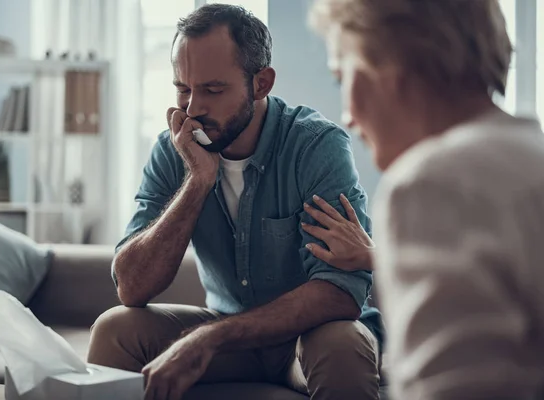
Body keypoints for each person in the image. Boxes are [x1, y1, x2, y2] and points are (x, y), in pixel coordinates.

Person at [87, 4, 383, 400]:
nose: (192, 109)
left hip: (308, 337)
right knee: (115, 329)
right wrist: (196, 183)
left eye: (212, 89)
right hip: (231, 336)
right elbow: (132, 287)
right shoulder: (173, 149)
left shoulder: (315, 146)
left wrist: (210, 339)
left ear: (261, 83)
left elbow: (340, 292)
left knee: (343, 345)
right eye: (182, 88)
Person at [307, 0, 544, 399]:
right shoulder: (529, 154)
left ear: (390, 70)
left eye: (341, 76)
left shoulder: (429, 186)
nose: (346, 116)